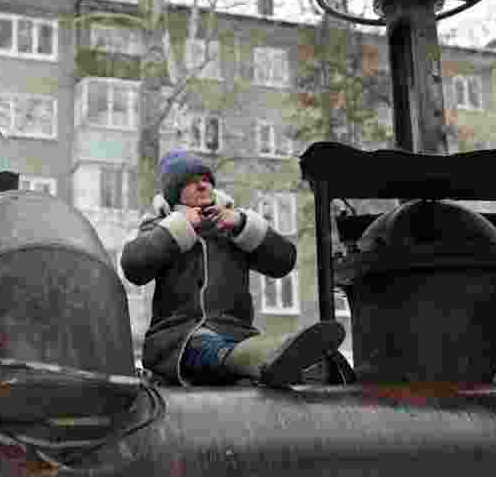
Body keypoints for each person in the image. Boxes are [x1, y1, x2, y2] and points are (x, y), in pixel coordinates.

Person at [120, 150, 345, 387]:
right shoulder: (160, 227)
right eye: (190, 182)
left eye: (206, 180)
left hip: (238, 335)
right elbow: (134, 266)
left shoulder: (233, 225)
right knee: (206, 347)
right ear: (174, 192)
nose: (202, 185)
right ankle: (267, 359)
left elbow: (284, 261)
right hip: (178, 341)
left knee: (233, 349)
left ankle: (277, 360)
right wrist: (181, 226)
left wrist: (241, 224)